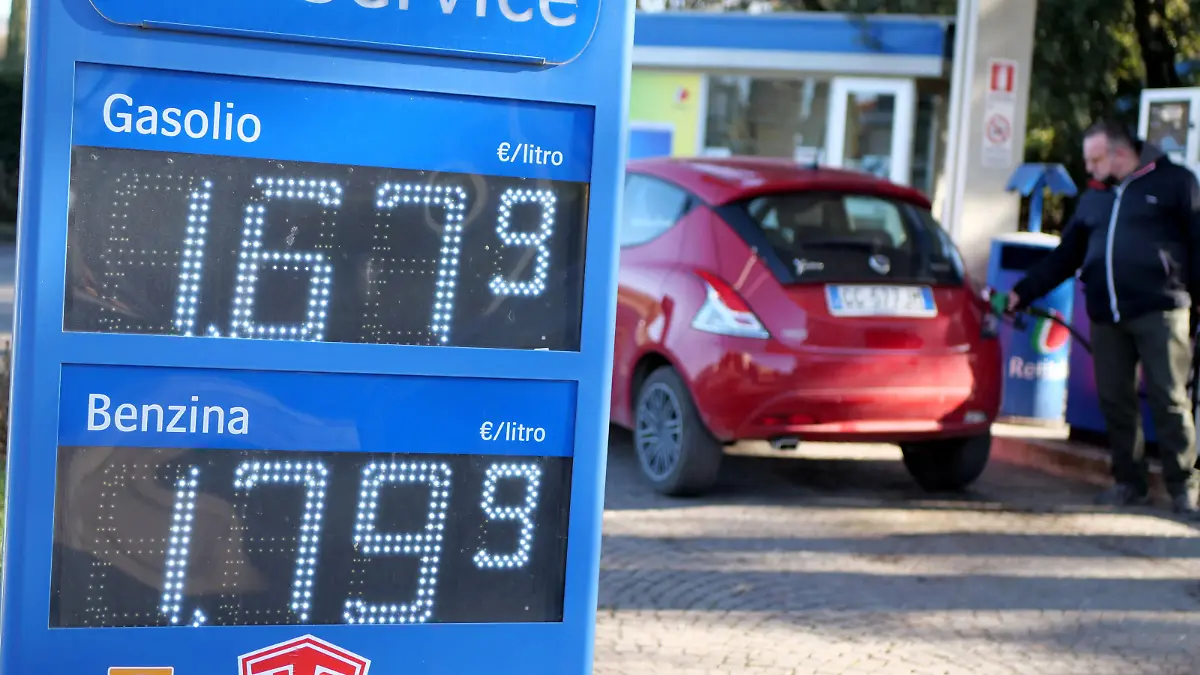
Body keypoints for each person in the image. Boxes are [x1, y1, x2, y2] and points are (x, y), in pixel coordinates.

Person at [1005, 119, 1200, 515]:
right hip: (1106, 314)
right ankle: (1130, 482)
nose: (1089, 169)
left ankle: (1184, 488)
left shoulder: (1175, 182)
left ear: (1121, 153)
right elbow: (1066, 255)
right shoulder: (1095, 196)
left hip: (1161, 310)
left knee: (1170, 397)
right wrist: (1023, 291)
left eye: (1095, 160)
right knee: (1115, 399)